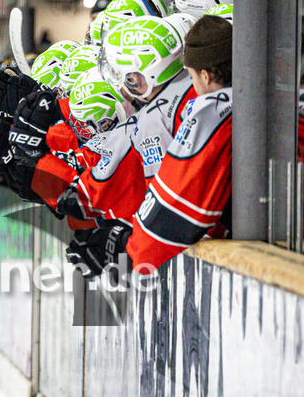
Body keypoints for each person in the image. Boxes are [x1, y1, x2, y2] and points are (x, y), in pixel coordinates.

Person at [66, 15, 234, 276]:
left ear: (205, 74)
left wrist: (126, 246)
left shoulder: (184, 113)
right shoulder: (203, 95)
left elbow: (174, 204)